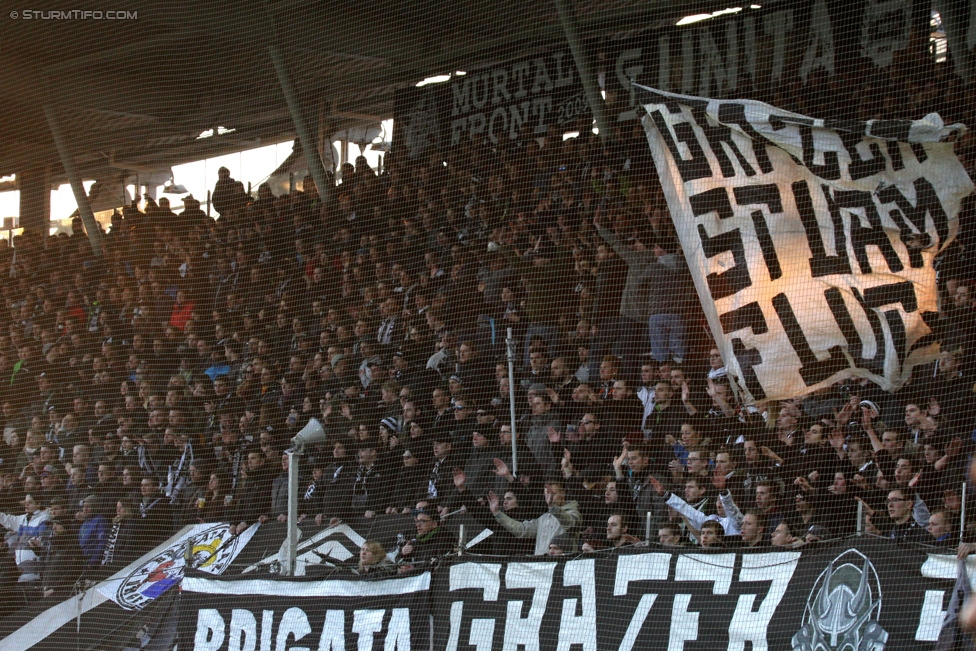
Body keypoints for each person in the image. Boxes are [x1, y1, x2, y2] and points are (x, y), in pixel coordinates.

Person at [487, 479, 580, 555]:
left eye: (553, 494)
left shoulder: (573, 513)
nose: (550, 498)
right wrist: (497, 513)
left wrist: (553, 507)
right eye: (547, 495)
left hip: (562, 569)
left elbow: (570, 524)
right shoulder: (543, 519)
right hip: (540, 569)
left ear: (563, 493)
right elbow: (522, 530)